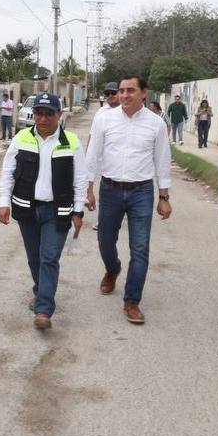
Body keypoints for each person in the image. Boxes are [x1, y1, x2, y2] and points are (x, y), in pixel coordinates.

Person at [85, 75, 172, 324]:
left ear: (144, 93)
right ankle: (113, 269)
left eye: (130, 90)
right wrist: (88, 188)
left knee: (140, 247)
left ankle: (132, 300)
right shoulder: (104, 119)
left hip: (141, 192)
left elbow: (162, 160)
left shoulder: (156, 124)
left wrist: (164, 196)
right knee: (105, 240)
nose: (124, 95)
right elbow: (93, 154)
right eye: (121, 90)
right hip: (110, 189)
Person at [0, 93, 86, 329]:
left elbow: (80, 179)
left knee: (49, 258)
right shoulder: (21, 138)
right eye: (39, 113)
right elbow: (7, 173)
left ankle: (44, 309)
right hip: (27, 209)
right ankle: (40, 291)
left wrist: (78, 211)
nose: (43, 119)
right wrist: (4, 202)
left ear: (59, 115)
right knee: (34, 258)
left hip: (58, 211)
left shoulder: (72, 142)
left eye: (49, 114)